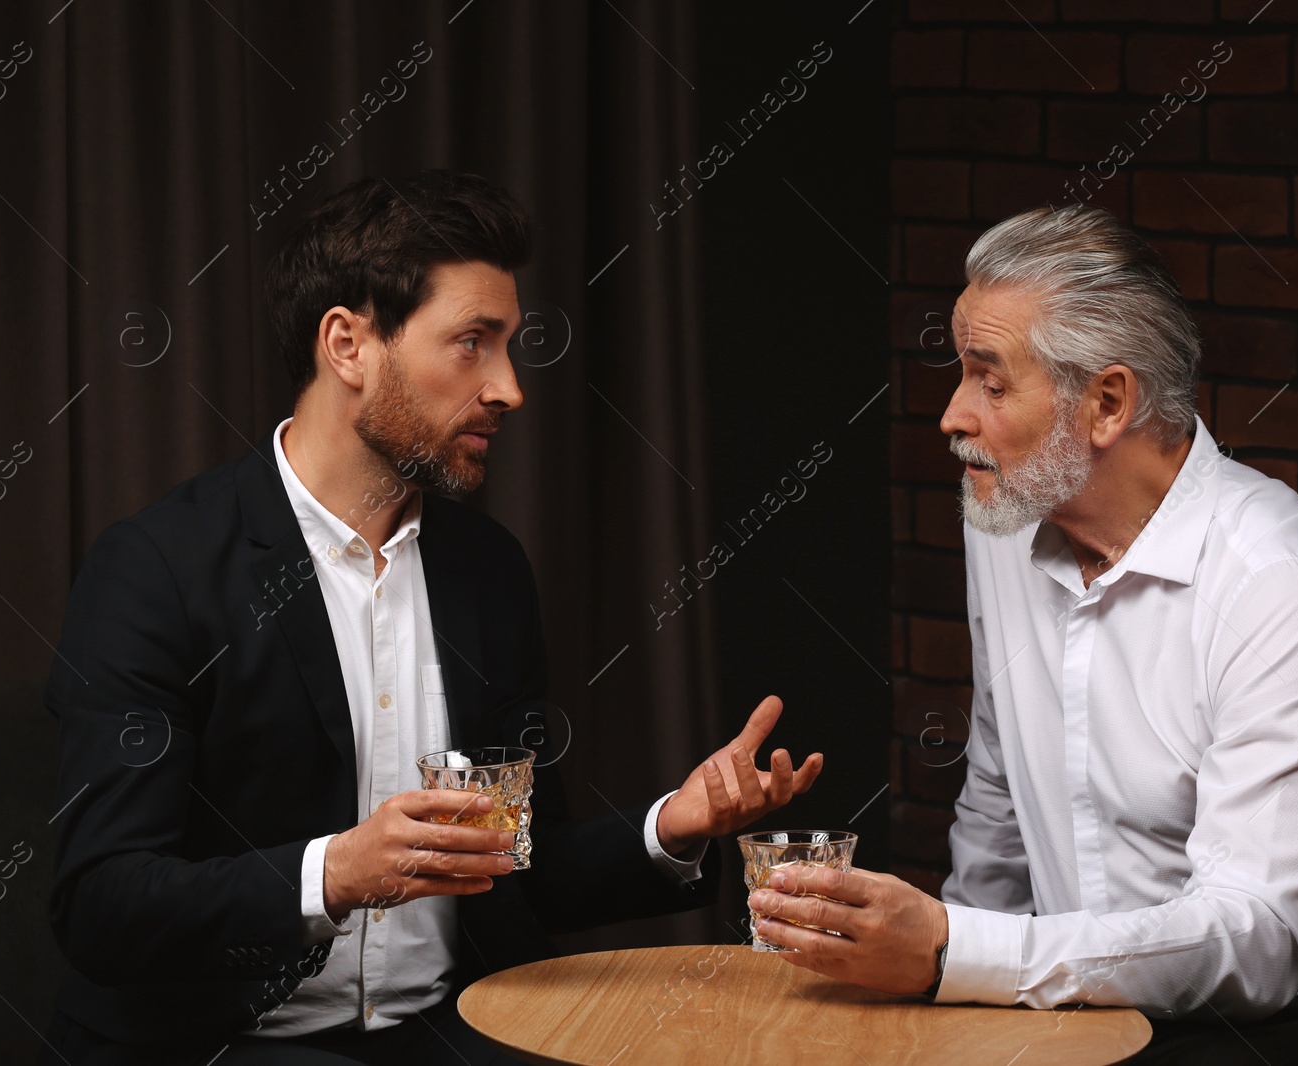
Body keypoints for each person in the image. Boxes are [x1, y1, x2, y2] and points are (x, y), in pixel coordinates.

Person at [41, 170, 824, 1065]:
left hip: (450, 1030)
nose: (509, 388)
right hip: (224, 1041)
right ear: (348, 345)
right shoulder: (155, 571)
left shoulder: (485, 570)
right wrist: (333, 873)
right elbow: (100, 903)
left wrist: (669, 828)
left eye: (510, 346)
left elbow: (525, 865)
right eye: (472, 343)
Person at [746, 205, 1298, 1064]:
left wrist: (955, 950)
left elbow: (1258, 941)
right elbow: (997, 799)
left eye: (990, 380)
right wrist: (942, 1002)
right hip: (1076, 1003)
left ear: (1106, 402)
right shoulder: (1005, 522)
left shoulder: (1278, 580)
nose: (951, 415)